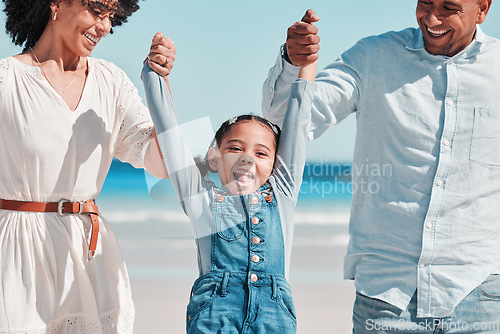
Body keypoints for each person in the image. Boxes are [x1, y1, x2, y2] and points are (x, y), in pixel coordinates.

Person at [262, 1, 500, 332]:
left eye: (449, 7)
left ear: (483, 8)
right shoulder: (373, 57)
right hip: (387, 298)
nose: (431, 18)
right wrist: (294, 65)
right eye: (425, 3)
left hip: (482, 295)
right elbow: (288, 126)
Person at [0, 0, 175, 332]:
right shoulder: (7, 79)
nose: (105, 27)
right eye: (96, 11)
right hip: (15, 252)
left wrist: (159, 86)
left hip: (88, 252)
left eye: (111, 16)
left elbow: (161, 164)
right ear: (56, 4)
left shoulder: (112, 82)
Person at [141, 48, 317, 332]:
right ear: (214, 157)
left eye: (261, 153)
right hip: (214, 312)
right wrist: (155, 74)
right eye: (235, 148)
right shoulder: (201, 199)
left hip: (275, 315)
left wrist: (308, 64)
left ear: (275, 164)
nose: (247, 158)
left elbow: (298, 122)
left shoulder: (283, 194)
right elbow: (171, 136)